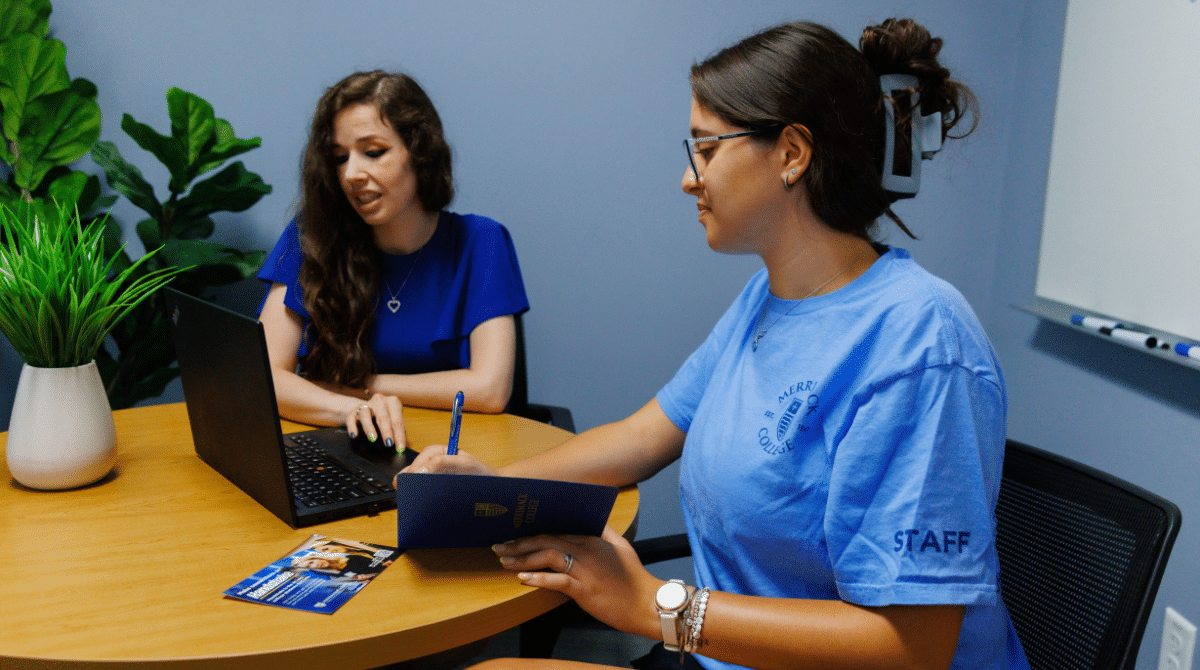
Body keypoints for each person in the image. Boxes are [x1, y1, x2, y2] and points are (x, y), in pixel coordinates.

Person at [403, 18, 1030, 670]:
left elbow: (914, 647)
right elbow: (642, 437)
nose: (688, 177)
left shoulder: (921, 342)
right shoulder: (768, 299)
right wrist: (492, 486)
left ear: (791, 153)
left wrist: (654, 606)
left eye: (705, 148)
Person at [258, 71, 529, 452]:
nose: (351, 174)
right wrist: (349, 408)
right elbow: (264, 376)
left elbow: (490, 390)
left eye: (373, 152)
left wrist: (357, 387)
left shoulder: (481, 240)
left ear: (420, 153)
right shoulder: (309, 236)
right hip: (340, 445)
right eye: (339, 158)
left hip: (451, 453)